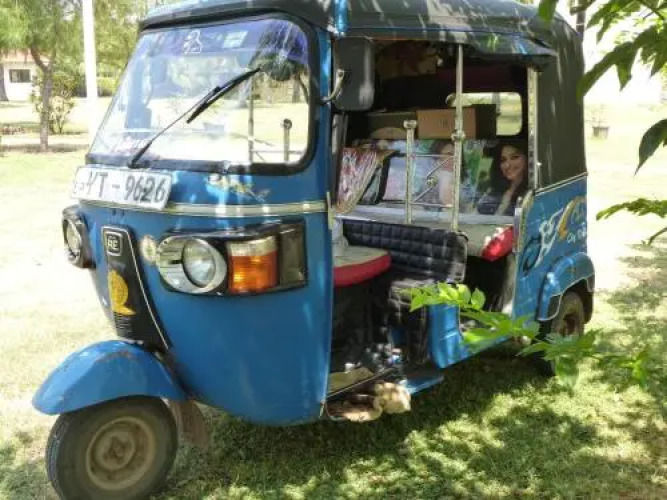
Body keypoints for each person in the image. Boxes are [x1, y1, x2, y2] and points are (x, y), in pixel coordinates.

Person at [476, 141, 528, 216]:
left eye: (514, 157)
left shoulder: (531, 193)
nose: (507, 165)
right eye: (503, 160)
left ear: (527, 158)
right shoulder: (492, 191)